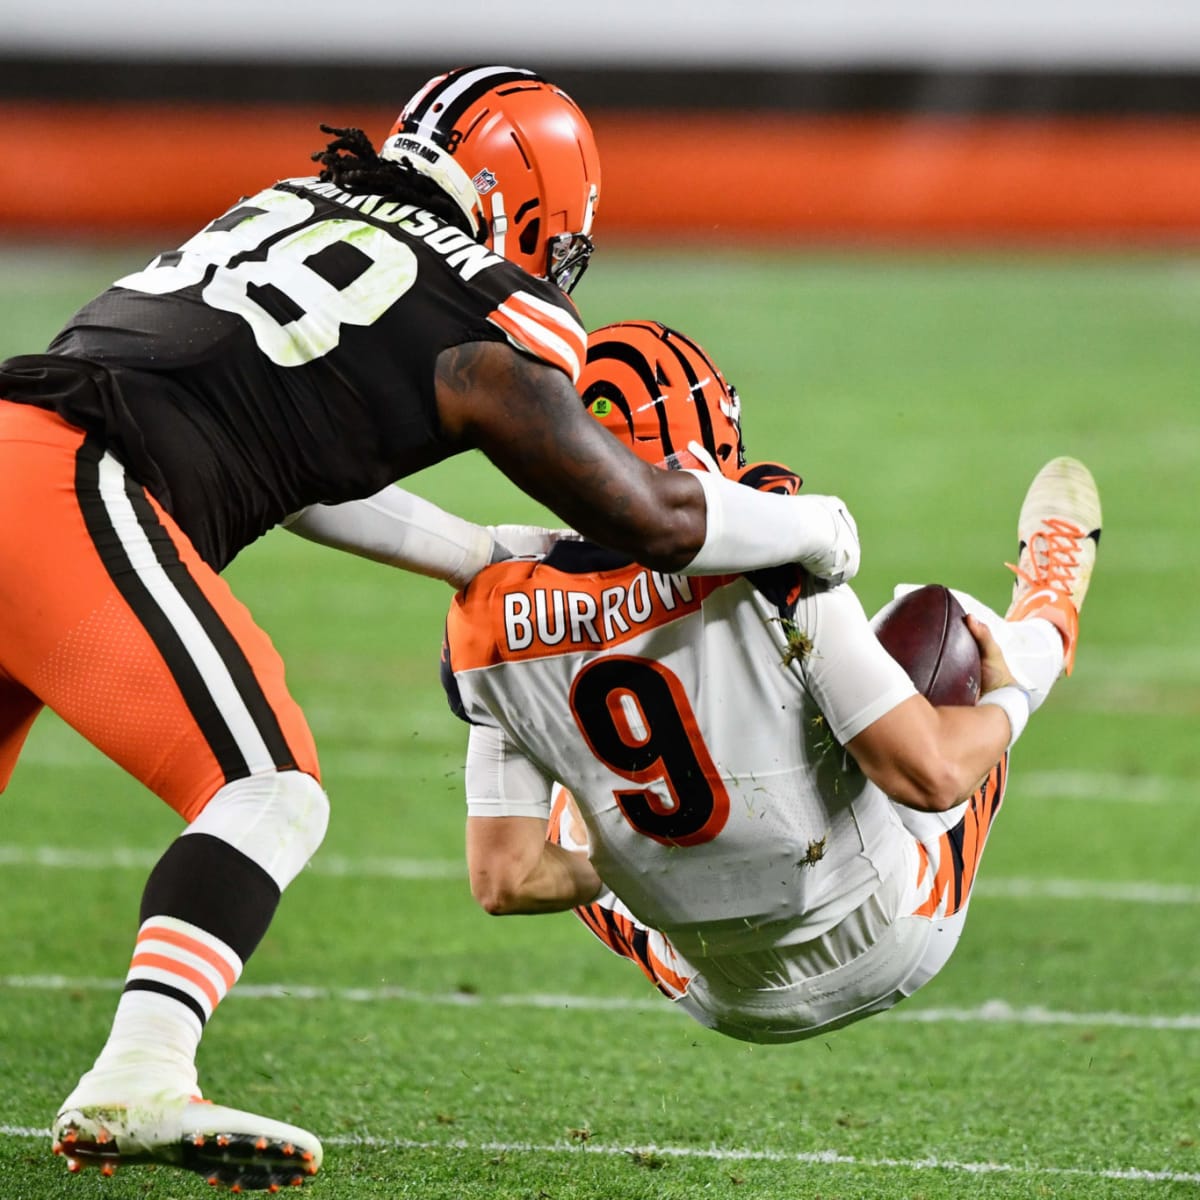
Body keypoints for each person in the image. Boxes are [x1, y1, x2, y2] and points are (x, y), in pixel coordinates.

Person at [0, 69, 862, 1191]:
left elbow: (274, 452)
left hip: (37, 448)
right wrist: (811, 525)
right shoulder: (491, 307)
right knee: (267, 787)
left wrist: (466, 548)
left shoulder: (289, 203)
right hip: (72, 483)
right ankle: (142, 1066)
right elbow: (647, 515)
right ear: (531, 204)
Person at [443, 319, 1102, 1045]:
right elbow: (935, 774)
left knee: (575, 801)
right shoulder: (781, 559)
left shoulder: (498, 613)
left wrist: (630, 848)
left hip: (723, 997)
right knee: (955, 632)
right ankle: (1047, 619)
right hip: (891, 932)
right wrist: (1014, 698)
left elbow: (506, 882)